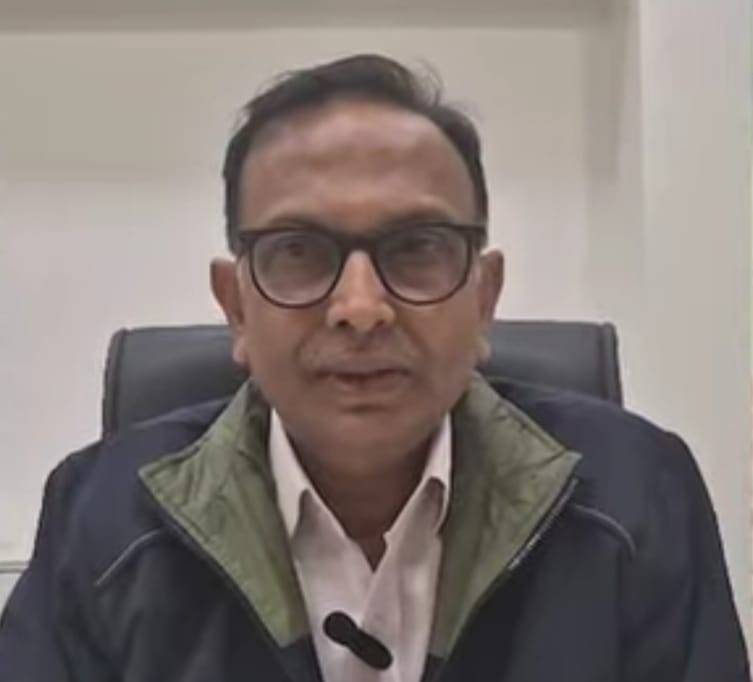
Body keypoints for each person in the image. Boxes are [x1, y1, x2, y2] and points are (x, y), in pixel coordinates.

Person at [0, 54, 748, 682]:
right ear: (235, 307)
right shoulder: (100, 520)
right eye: (298, 250)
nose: (360, 308)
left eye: (417, 248)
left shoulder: (636, 500)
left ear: (484, 297)